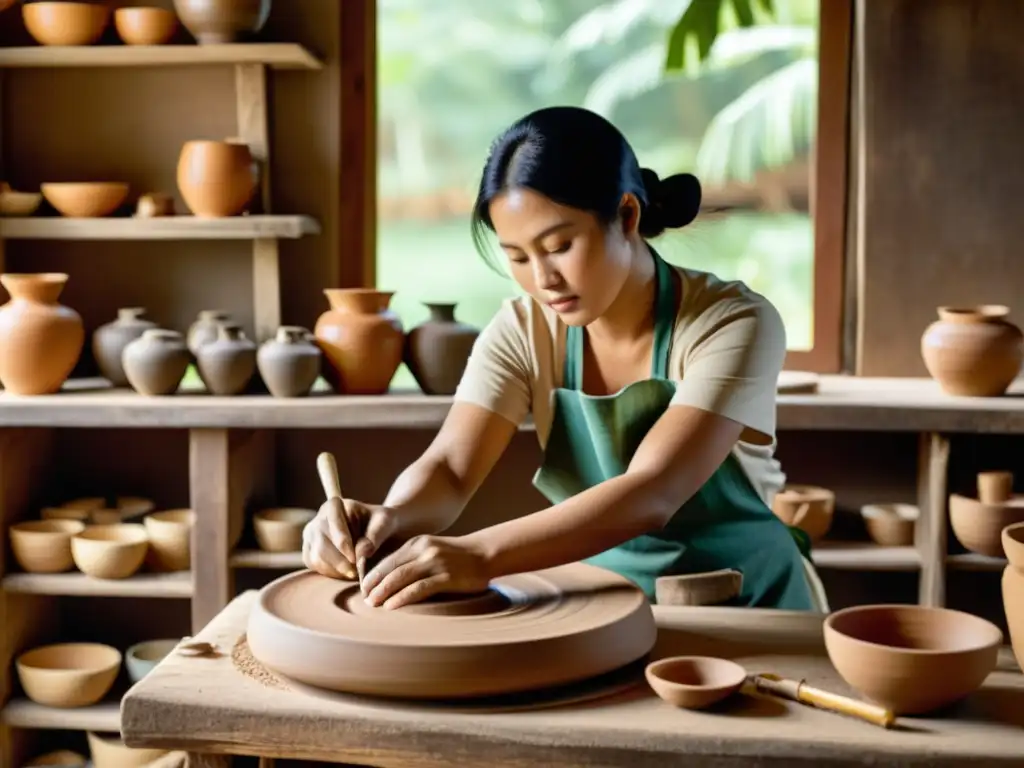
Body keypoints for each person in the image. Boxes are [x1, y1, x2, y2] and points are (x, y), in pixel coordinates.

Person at [302, 105, 829, 613]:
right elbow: (450, 469)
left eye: (558, 245)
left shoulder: (732, 323)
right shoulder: (522, 329)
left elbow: (653, 491)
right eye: (517, 257)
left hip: (752, 610)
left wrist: (480, 554)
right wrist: (388, 520)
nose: (543, 279)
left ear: (626, 215)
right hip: (603, 606)